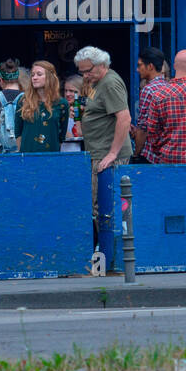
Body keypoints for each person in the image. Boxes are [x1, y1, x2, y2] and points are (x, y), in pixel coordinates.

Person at [75, 46, 132, 242]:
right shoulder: (98, 82)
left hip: (106, 154)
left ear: (101, 65)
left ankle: (111, 252)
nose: (84, 75)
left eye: (88, 70)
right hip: (98, 151)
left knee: (105, 205)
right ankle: (108, 251)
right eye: (81, 71)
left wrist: (113, 153)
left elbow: (124, 118)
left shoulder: (109, 83)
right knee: (100, 205)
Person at [16, 61, 68, 153]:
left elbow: (61, 137)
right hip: (28, 157)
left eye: (39, 74)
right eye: (32, 75)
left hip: (51, 157)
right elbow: (18, 133)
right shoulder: (23, 101)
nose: (34, 78)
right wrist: (21, 157)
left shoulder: (62, 103)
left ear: (50, 77)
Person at [130, 47, 167, 161]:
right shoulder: (169, 87)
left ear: (150, 66)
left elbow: (144, 128)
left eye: (140, 65)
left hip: (150, 154)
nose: (137, 69)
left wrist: (136, 154)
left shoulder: (148, 90)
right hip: (165, 153)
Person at [60, 74, 87, 153]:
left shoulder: (88, 110)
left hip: (81, 153)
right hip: (63, 153)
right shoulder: (61, 109)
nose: (67, 94)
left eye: (72, 91)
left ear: (82, 92)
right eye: (66, 90)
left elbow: (80, 134)